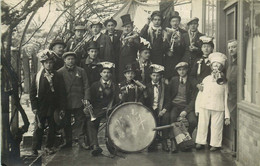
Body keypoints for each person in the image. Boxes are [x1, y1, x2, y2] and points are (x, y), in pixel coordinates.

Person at [30, 50, 66, 155]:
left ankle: (49, 146)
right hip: (41, 105)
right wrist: (34, 107)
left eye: (50, 63)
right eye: (46, 63)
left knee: (52, 127)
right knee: (39, 127)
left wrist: (62, 107)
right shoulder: (37, 76)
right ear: (43, 64)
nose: (49, 65)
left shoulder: (57, 75)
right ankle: (35, 148)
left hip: (53, 105)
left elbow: (62, 92)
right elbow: (32, 93)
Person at [195, 52, 230, 151]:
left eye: (218, 66)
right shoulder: (206, 79)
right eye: (214, 66)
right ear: (211, 68)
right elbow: (200, 94)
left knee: (216, 126)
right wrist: (197, 108)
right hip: (204, 105)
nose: (215, 68)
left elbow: (226, 98)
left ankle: (215, 143)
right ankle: (200, 141)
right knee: (202, 124)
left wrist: (227, 115)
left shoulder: (224, 82)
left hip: (218, 106)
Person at [57, 52, 90, 150]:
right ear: (64, 60)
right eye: (68, 59)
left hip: (79, 101)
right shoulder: (59, 72)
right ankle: (67, 141)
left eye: (72, 59)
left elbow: (86, 86)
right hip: (66, 101)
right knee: (66, 122)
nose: (71, 61)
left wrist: (86, 99)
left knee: (80, 121)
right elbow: (57, 89)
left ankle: (81, 141)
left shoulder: (81, 71)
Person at [165, 62, 197, 152]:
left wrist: (186, 111)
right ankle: (173, 142)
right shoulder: (174, 80)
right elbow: (169, 96)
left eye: (183, 69)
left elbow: (194, 99)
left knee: (193, 121)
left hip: (187, 107)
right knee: (172, 118)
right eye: (179, 70)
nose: (182, 72)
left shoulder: (191, 81)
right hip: (175, 105)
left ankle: (187, 138)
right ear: (177, 71)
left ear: (187, 70)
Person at [87, 62, 116, 156]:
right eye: (104, 72)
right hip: (98, 110)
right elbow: (90, 98)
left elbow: (118, 100)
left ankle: (112, 144)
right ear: (100, 74)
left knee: (114, 122)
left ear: (110, 74)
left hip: (111, 110)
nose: (106, 74)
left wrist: (112, 108)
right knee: (91, 122)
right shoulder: (95, 85)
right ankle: (95, 145)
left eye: (108, 72)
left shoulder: (115, 86)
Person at [144, 64, 170, 152]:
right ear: (150, 76)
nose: (155, 77)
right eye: (153, 75)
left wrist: (164, 110)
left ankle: (164, 140)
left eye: (157, 75)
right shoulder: (146, 86)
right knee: (151, 118)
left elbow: (169, 100)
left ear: (160, 76)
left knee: (166, 117)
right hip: (151, 108)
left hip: (162, 108)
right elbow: (144, 100)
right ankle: (152, 140)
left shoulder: (164, 86)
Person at [164, 11, 187, 82]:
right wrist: (166, 51)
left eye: (177, 21)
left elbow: (185, 47)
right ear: (170, 22)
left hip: (179, 59)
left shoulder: (184, 33)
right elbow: (162, 45)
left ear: (179, 22)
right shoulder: (165, 31)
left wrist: (179, 43)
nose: (175, 23)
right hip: (168, 60)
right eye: (173, 21)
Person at [118, 14, 140, 82]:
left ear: (132, 27)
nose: (126, 29)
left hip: (130, 62)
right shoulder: (121, 36)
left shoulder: (134, 36)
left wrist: (131, 42)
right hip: (121, 63)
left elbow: (137, 45)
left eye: (128, 27)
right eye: (125, 27)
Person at [226, 40, 238, 156]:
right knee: (234, 123)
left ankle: (238, 149)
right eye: (229, 48)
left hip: (238, 99)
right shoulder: (231, 63)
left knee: (238, 123)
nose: (231, 50)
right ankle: (235, 148)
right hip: (231, 98)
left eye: (234, 47)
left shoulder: (241, 62)